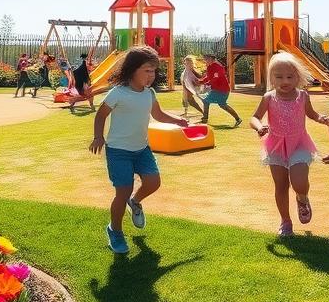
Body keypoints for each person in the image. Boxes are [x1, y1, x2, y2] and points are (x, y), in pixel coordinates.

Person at [89, 46, 189, 254]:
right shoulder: (119, 92)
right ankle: (115, 230)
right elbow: (101, 115)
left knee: (153, 182)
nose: (151, 76)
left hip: (142, 149)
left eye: (153, 71)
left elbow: (159, 115)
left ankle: (135, 202)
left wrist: (177, 120)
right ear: (132, 69)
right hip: (118, 151)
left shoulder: (149, 93)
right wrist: (99, 136)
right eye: (147, 70)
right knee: (122, 191)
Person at [250, 52, 329, 237]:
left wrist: (321, 118)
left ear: (298, 77)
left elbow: (311, 114)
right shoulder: (268, 97)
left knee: (299, 182)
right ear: (271, 77)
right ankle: (285, 222)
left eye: (290, 76)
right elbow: (254, 117)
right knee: (280, 185)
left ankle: (302, 198)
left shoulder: (302, 96)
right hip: (276, 145)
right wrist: (259, 126)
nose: (284, 81)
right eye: (279, 77)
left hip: (299, 144)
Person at [200, 55, 241, 126]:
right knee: (221, 105)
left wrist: (207, 83)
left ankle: (205, 119)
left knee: (207, 101)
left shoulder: (219, 67)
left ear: (211, 59)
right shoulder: (209, 67)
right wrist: (201, 81)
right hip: (217, 90)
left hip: (222, 90)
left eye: (205, 59)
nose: (204, 61)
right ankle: (238, 119)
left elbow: (215, 78)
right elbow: (209, 77)